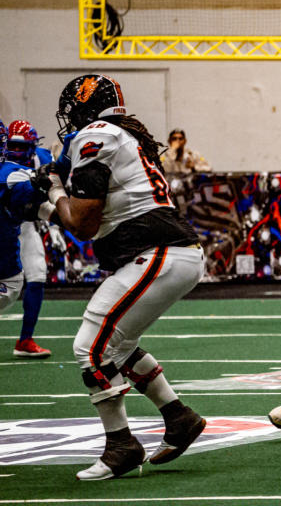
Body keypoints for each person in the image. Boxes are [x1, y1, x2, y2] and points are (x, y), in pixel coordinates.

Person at [40, 74, 207, 481]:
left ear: (84, 107)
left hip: (157, 253)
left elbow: (80, 221)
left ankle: (121, 445)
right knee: (119, 344)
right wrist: (48, 198)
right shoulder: (119, 134)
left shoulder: (95, 134)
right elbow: (83, 215)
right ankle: (178, 416)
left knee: (91, 348)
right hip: (167, 253)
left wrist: (52, 192)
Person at [5, 120, 53, 358]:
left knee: (37, 275)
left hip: (25, 223)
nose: (15, 152)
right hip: (6, 222)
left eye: (21, 147)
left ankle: (25, 340)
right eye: (11, 146)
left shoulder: (44, 159)